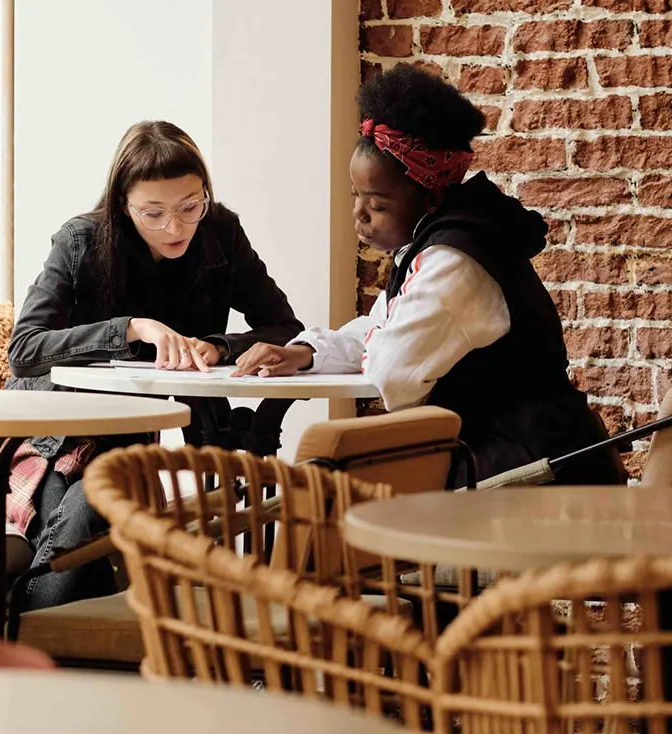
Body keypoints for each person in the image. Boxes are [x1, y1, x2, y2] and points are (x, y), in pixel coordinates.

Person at [234, 65, 622, 487]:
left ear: (430, 194)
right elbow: (385, 327)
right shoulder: (448, 239)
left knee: (335, 502)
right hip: (525, 454)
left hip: (534, 471)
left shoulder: (453, 262)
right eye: (356, 196)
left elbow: (390, 368)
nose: (358, 213)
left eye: (377, 204)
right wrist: (308, 351)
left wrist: (384, 339)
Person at [5, 120, 303, 608]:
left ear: (205, 192)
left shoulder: (221, 233)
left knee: (87, 521)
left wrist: (218, 346)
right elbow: (25, 350)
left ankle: (18, 648)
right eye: (153, 213)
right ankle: (40, 650)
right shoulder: (80, 241)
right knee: (82, 519)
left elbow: (284, 325)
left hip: (147, 432)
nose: (175, 227)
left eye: (190, 206)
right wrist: (130, 329)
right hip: (59, 428)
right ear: (124, 205)